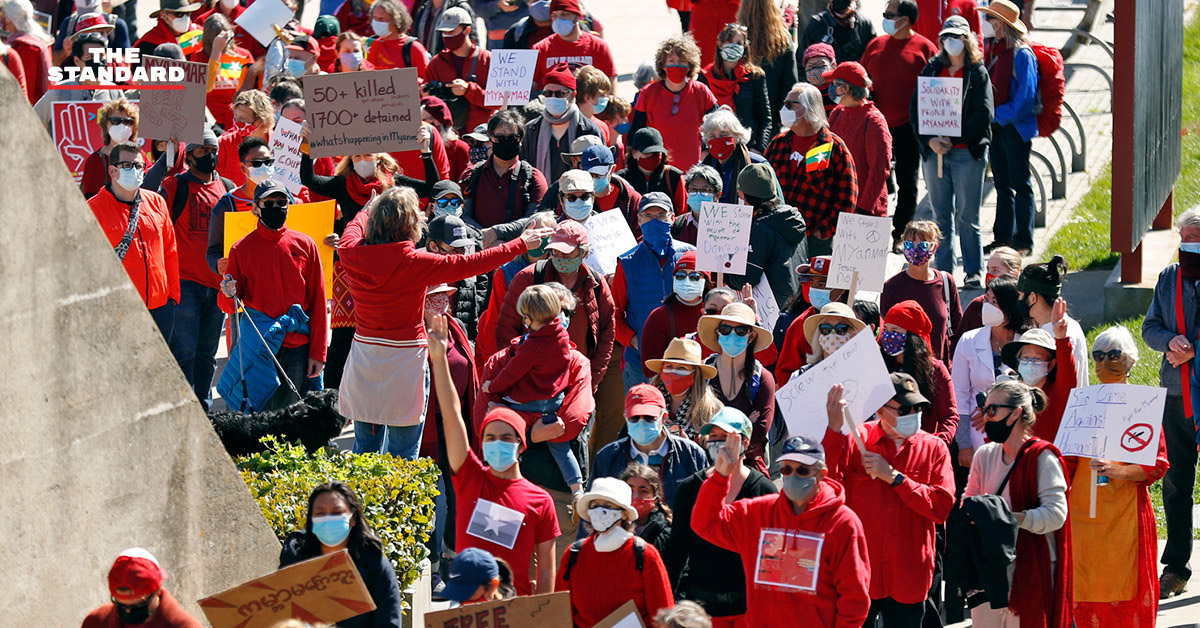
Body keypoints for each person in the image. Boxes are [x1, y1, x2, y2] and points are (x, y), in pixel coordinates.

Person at [336, 187, 548, 457]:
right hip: (405, 363)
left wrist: (367, 210)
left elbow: (353, 228)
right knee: (403, 454)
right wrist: (520, 243)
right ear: (409, 226)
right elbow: (474, 262)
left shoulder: (349, 251)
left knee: (364, 449)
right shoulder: (415, 262)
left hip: (365, 358)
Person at [428, 311, 561, 596]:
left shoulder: (541, 501)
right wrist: (439, 359)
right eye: (490, 437)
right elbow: (452, 415)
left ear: (520, 444)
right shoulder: (469, 477)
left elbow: (547, 571)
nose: (496, 442)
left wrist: (544, 618)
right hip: (469, 613)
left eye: (505, 437)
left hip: (517, 613)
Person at [692, 433, 871, 626]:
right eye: (787, 469)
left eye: (802, 470)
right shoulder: (758, 512)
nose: (793, 476)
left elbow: (854, 598)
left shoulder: (843, 523)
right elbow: (705, 524)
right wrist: (720, 477)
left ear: (821, 475)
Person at [825, 372, 954, 628]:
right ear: (881, 411)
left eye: (919, 407)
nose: (914, 414)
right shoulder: (854, 440)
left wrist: (896, 478)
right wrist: (833, 429)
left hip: (909, 574)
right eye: (905, 408)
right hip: (860, 571)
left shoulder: (934, 447)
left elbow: (941, 507)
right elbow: (828, 489)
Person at [1065, 326, 1167, 626]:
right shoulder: (1082, 402)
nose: (1104, 362)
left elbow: (1158, 464)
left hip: (1126, 514)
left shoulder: (1143, 405)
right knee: (1085, 587)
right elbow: (1067, 460)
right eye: (1098, 355)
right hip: (1083, 515)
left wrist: (1120, 470)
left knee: (1127, 590)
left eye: (1113, 355)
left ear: (1130, 361)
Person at [964, 379, 1071, 628]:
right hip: (991, 568)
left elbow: (1056, 514)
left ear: (1016, 413)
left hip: (1032, 566)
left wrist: (1009, 519)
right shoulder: (984, 455)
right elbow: (970, 500)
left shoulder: (1043, 457)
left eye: (992, 409)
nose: (986, 416)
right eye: (983, 408)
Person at [664, 408, 777, 626]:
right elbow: (677, 551)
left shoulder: (764, 490)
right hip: (700, 611)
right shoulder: (690, 488)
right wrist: (670, 603)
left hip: (748, 610)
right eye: (712, 437)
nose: (717, 443)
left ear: (744, 443)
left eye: (724, 437)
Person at [220, 180, 325, 410]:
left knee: (294, 416)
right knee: (261, 417)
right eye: (269, 202)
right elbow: (227, 305)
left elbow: (318, 302)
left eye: (282, 202)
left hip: (298, 346)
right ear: (255, 208)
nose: (276, 207)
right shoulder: (241, 249)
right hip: (260, 347)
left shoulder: (306, 244)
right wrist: (228, 292)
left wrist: (318, 352)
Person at [1141, 208, 1200, 599]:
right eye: (1185, 242)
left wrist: (1193, 350)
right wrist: (1168, 342)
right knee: (1176, 482)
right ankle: (1176, 566)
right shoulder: (1168, 278)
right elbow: (1150, 327)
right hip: (1177, 394)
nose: (1189, 250)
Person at [913, 15, 994, 284]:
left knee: (968, 215)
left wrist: (952, 134)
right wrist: (930, 141)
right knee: (940, 215)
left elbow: (983, 115)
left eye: (957, 37)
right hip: (935, 154)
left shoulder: (977, 72)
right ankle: (944, 272)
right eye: (946, 37)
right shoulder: (932, 69)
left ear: (967, 40)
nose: (951, 42)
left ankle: (973, 271)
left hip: (966, 154)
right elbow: (917, 111)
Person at [483, 284, 581, 497]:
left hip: (529, 404)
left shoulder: (531, 346)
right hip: (554, 403)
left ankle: (502, 484)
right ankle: (577, 489)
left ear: (528, 319)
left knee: (502, 418)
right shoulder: (562, 337)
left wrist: (492, 386)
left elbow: (511, 374)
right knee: (562, 451)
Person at [497, 220, 616, 391]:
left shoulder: (596, 283)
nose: (559, 257)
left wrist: (592, 377)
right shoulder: (528, 278)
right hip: (532, 381)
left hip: (578, 379)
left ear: (582, 252)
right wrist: (517, 374)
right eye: (555, 251)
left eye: (566, 253)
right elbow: (506, 330)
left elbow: (607, 331)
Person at [160, 126, 230, 410]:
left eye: (213, 151)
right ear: (188, 156)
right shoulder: (175, 186)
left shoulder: (225, 185)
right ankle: (182, 406)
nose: (209, 156)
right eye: (203, 151)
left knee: (207, 354)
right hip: (184, 284)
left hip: (216, 285)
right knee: (184, 351)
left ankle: (203, 408)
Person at [860, 0, 938, 244]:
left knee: (908, 181)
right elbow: (861, 79)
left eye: (889, 14)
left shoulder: (925, 48)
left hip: (909, 127)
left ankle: (899, 233)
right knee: (874, 177)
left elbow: (938, 89)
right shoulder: (875, 45)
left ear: (905, 19)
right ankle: (870, 229)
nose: (884, 18)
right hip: (875, 126)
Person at [87, 141, 179, 342]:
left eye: (139, 166)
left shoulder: (157, 202)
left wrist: (173, 297)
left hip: (160, 307)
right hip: (118, 310)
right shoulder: (92, 210)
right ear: (112, 170)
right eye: (127, 166)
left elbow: (169, 251)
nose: (135, 170)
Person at [278, 482, 403, 628]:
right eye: (320, 513)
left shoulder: (375, 566)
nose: (328, 519)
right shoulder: (294, 562)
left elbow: (389, 623)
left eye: (337, 513)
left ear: (353, 518)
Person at [555, 477, 675, 627]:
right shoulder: (574, 555)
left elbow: (663, 614)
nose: (600, 511)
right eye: (595, 505)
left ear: (624, 513)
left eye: (607, 505)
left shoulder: (645, 555)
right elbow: (560, 613)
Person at [612, 194, 696, 389]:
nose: (654, 221)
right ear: (639, 220)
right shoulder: (627, 263)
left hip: (687, 360)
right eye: (649, 216)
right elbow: (614, 313)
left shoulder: (690, 256)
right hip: (641, 363)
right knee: (643, 416)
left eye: (660, 215)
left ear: (672, 218)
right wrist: (634, 340)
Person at [764, 82, 857, 258]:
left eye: (790, 104)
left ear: (808, 108)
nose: (784, 108)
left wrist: (823, 231)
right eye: (785, 103)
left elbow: (847, 198)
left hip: (814, 241)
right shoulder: (778, 143)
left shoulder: (832, 147)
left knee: (812, 285)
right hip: (777, 236)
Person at [979, 0, 1038, 255]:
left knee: (1020, 183)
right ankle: (1002, 237)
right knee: (1002, 183)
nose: (987, 24)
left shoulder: (1022, 54)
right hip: (998, 126)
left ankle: (1023, 240)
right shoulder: (993, 49)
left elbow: (1026, 98)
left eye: (991, 19)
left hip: (1014, 127)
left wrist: (996, 115)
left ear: (1002, 24)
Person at [591, 384, 708, 508]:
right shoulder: (607, 457)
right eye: (634, 418)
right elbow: (592, 507)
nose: (641, 423)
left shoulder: (691, 455)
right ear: (626, 418)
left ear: (663, 418)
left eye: (649, 418)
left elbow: (706, 505)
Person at [951, 276, 1025, 464]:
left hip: (1017, 432)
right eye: (986, 299)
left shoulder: (1027, 342)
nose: (987, 306)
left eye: (995, 302)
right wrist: (964, 444)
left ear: (1010, 307)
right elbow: (958, 394)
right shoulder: (969, 341)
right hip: (977, 439)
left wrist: (994, 412)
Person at [698, 303, 776, 475]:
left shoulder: (763, 378)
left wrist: (714, 430)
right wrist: (745, 424)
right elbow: (695, 426)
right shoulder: (703, 372)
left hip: (746, 470)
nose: (732, 335)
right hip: (704, 466)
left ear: (751, 336)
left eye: (740, 331)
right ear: (718, 333)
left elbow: (759, 433)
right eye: (726, 329)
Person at [475, 210, 557, 367]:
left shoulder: (558, 269)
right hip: (514, 353)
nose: (538, 238)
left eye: (544, 233)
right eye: (533, 232)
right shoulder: (505, 272)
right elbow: (495, 320)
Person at [630, 35, 719, 170]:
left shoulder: (701, 91)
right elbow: (636, 131)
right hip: (657, 169)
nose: (677, 65)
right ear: (663, 66)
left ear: (690, 66)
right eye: (671, 61)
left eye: (682, 61)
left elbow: (717, 125)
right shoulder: (648, 93)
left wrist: (707, 151)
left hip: (693, 169)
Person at [461, 110, 549, 245]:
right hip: (479, 251)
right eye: (500, 138)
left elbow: (534, 220)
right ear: (490, 138)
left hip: (519, 256)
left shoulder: (534, 178)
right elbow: (462, 216)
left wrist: (497, 232)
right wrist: (482, 237)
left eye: (513, 138)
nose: (506, 142)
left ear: (521, 140)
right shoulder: (471, 175)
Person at [725, 163, 808, 305]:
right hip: (795, 302)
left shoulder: (762, 227)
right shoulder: (793, 218)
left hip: (771, 307)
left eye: (742, 199)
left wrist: (724, 272)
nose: (742, 204)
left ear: (749, 198)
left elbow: (748, 280)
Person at [879, 300, 958, 444]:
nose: (888, 336)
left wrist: (935, 445)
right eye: (886, 330)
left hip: (922, 450)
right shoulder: (879, 366)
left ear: (912, 337)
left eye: (895, 331)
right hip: (884, 448)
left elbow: (949, 416)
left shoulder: (936, 369)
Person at [881, 220, 961, 362]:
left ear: (934, 248)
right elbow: (886, 334)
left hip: (942, 368)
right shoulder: (892, 287)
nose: (915, 249)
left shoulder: (946, 281)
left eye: (922, 245)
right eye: (909, 244)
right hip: (908, 370)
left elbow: (958, 329)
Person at [996, 307, 1077, 442]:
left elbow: (1068, 375)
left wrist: (1061, 338)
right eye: (1025, 358)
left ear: (1050, 365)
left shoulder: (1057, 393)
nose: (1030, 364)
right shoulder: (1009, 394)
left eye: (1037, 359)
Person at [824, 61, 891, 218]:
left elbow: (880, 170)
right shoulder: (837, 113)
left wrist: (864, 208)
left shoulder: (874, 121)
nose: (831, 89)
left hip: (867, 211)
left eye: (834, 84)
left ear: (845, 88)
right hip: (840, 205)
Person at [520, 63, 603, 185]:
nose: (553, 98)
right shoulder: (532, 129)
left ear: (573, 95)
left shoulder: (589, 130)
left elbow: (600, 171)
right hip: (541, 199)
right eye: (548, 94)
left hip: (577, 199)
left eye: (559, 94)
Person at [81, 549, 203, 627]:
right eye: (121, 606)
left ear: (157, 591)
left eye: (137, 606)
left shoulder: (186, 625)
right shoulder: (96, 622)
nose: (128, 611)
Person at [1017, 255, 1089, 387]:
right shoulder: (1063, 325)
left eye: (1021, 295)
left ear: (1032, 297)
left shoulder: (1059, 335)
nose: (1019, 300)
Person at [699, 24, 771, 153]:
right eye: (730, 42)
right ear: (720, 44)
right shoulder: (706, 76)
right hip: (714, 148)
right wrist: (703, 150)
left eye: (739, 43)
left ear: (745, 47)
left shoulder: (755, 76)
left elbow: (765, 118)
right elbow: (699, 118)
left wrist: (759, 149)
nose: (734, 46)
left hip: (747, 147)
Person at [32, 33, 123, 132]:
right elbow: (33, 122)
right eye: (90, 57)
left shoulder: (114, 92)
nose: (97, 61)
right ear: (77, 61)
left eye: (101, 56)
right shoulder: (60, 92)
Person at [639, 253, 712, 374]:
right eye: (680, 276)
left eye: (694, 276)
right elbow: (650, 370)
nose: (687, 281)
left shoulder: (713, 315)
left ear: (705, 282)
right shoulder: (659, 317)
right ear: (673, 279)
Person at [424, 7, 493, 134]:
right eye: (444, 32)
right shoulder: (436, 62)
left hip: (481, 135)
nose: (447, 36)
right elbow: (427, 103)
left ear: (467, 30)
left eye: (451, 31)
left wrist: (469, 90)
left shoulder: (487, 59)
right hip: (449, 137)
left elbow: (498, 101)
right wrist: (426, 95)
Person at [737, 0, 799, 133]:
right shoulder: (783, 38)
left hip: (739, 112)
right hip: (771, 114)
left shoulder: (736, 37)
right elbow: (790, 81)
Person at [644, 337, 722, 441]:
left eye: (682, 368)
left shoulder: (712, 409)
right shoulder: (647, 404)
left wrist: (689, 448)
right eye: (669, 366)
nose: (673, 372)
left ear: (695, 374)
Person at [778, 299, 863, 385]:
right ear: (819, 336)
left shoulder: (865, 375)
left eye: (841, 329)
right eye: (825, 329)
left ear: (854, 336)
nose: (832, 334)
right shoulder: (800, 377)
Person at [191, 15, 254, 131]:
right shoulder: (199, 56)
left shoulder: (244, 55)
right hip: (212, 121)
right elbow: (205, 88)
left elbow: (252, 89)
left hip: (240, 117)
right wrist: (216, 51)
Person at [531, 0, 616, 84]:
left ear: (577, 16)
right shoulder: (541, 49)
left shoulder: (598, 46)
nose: (558, 20)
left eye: (564, 14)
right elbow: (531, 86)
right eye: (554, 16)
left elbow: (611, 83)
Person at [698, 109, 768, 207]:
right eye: (712, 136)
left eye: (723, 135)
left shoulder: (757, 165)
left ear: (737, 136)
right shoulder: (703, 170)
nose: (718, 140)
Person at [954, 247, 1022, 345]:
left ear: (1014, 274)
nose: (989, 275)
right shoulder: (978, 305)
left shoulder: (1026, 305)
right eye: (988, 270)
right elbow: (957, 342)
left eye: (995, 270)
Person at [617, 127, 689, 214]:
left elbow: (682, 213)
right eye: (647, 153)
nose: (651, 157)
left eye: (656, 153)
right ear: (634, 153)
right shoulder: (621, 180)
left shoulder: (674, 177)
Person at [80, 99, 142, 197]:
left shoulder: (140, 156)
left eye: (128, 121)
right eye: (115, 121)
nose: (122, 125)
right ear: (106, 125)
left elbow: (150, 187)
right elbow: (90, 200)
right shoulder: (95, 160)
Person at [215, 89, 273, 186]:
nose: (237, 122)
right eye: (236, 117)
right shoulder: (224, 144)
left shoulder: (280, 143)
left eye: (243, 119)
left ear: (261, 120)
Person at [3, 0, 51, 105]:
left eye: (4, 15)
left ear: (11, 19)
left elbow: (26, 90)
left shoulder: (28, 47)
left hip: (29, 113)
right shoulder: (35, 40)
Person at [799, 0, 877, 64]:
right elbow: (801, 59)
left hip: (856, 78)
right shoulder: (817, 24)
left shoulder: (863, 24)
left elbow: (873, 57)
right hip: (825, 79)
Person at [367, 0, 431, 76]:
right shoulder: (372, 45)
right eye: (375, 18)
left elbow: (427, 80)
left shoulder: (414, 48)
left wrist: (403, 78)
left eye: (381, 19)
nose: (376, 22)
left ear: (395, 20)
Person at [622, 463, 674, 555]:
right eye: (630, 490)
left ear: (655, 499)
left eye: (643, 491)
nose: (635, 496)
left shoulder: (666, 533)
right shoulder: (609, 529)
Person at [440, 548, 519, 606]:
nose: (462, 598)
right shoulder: (457, 607)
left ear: (493, 585)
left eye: (468, 591)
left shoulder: (515, 611)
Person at [134, 0, 201, 60]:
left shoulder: (200, 35)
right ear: (163, 15)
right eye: (179, 14)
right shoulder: (147, 44)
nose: (185, 18)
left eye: (188, 13)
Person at [673, 165, 720, 244]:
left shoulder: (731, 225)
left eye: (705, 190)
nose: (699, 194)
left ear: (718, 195)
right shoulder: (676, 225)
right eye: (693, 189)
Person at [575, 65, 613, 144]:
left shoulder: (602, 126)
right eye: (602, 95)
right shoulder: (569, 125)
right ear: (587, 97)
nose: (606, 98)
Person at [799, 42, 838, 112]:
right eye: (810, 66)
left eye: (820, 65)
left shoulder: (842, 90)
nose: (815, 70)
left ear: (833, 65)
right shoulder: (805, 96)